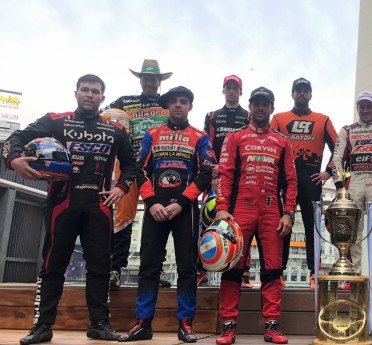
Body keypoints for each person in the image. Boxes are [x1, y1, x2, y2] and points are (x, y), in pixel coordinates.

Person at [3, 74, 136, 344]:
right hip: (62, 203)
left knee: (100, 266)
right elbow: (17, 137)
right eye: (85, 90)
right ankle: (42, 327)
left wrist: (121, 187)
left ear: (102, 97)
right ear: (76, 93)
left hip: (99, 206)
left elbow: (132, 164)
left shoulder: (115, 130)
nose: (89, 94)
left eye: (95, 91)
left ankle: (99, 324)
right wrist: (13, 160)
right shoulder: (56, 120)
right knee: (53, 266)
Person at [118, 86, 214, 343]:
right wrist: (150, 201)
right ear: (167, 107)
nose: (179, 106)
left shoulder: (200, 136)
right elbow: (139, 169)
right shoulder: (152, 134)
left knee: (187, 267)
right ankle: (143, 323)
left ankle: (185, 324)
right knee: (149, 266)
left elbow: (207, 173)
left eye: (184, 102)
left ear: (190, 107)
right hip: (155, 208)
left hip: (184, 209)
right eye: (174, 102)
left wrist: (182, 202)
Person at [214, 86, 297, 345]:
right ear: (250, 107)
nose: (261, 108)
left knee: (272, 269)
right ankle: (228, 326)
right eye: (256, 103)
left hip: (272, 210)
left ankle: (272, 325)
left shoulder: (283, 141)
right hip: (240, 210)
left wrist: (289, 213)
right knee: (232, 268)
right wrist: (221, 207)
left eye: (265, 104)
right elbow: (225, 174)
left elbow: (291, 181)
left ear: (272, 108)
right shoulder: (235, 138)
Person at [107, 59, 173, 290]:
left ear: (159, 81)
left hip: (160, 167)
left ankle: (157, 269)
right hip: (129, 164)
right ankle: (115, 269)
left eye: (154, 78)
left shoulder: (168, 103)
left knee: (160, 216)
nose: (149, 82)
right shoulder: (124, 102)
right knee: (123, 216)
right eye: (145, 77)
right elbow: (107, 118)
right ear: (140, 79)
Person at [270, 77, 337, 289]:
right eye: (298, 90)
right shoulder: (279, 118)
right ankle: (277, 273)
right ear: (292, 94)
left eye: (305, 90)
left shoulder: (323, 119)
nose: (301, 94)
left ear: (310, 94)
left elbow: (340, 147)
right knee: (281, 226)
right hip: (284, 180)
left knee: (312, 228)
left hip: (311, 179)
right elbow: (269, 144)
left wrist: (328, 172)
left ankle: (313, 273)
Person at [332, 91, 372, 291]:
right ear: (357, 108)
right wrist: (340, 187)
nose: (365, 110)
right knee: (351, 230)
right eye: (362, 106)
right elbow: (337, 159)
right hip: (354, 181)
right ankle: (352, 275)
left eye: (369, 106)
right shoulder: (347, 130)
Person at [202, 74, 252, 288]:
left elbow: (251, 144)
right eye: (228, 87)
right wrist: (215, 171)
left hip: (242, 180)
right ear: (223, 90)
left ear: (240, 92)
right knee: (209, 221)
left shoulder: (248, 116)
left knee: (242, 225)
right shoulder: (212, 116)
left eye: (235, 88)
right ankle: (202, 270)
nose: (231, 91)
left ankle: (244, 272)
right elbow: (206, 146)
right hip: (216, 178)